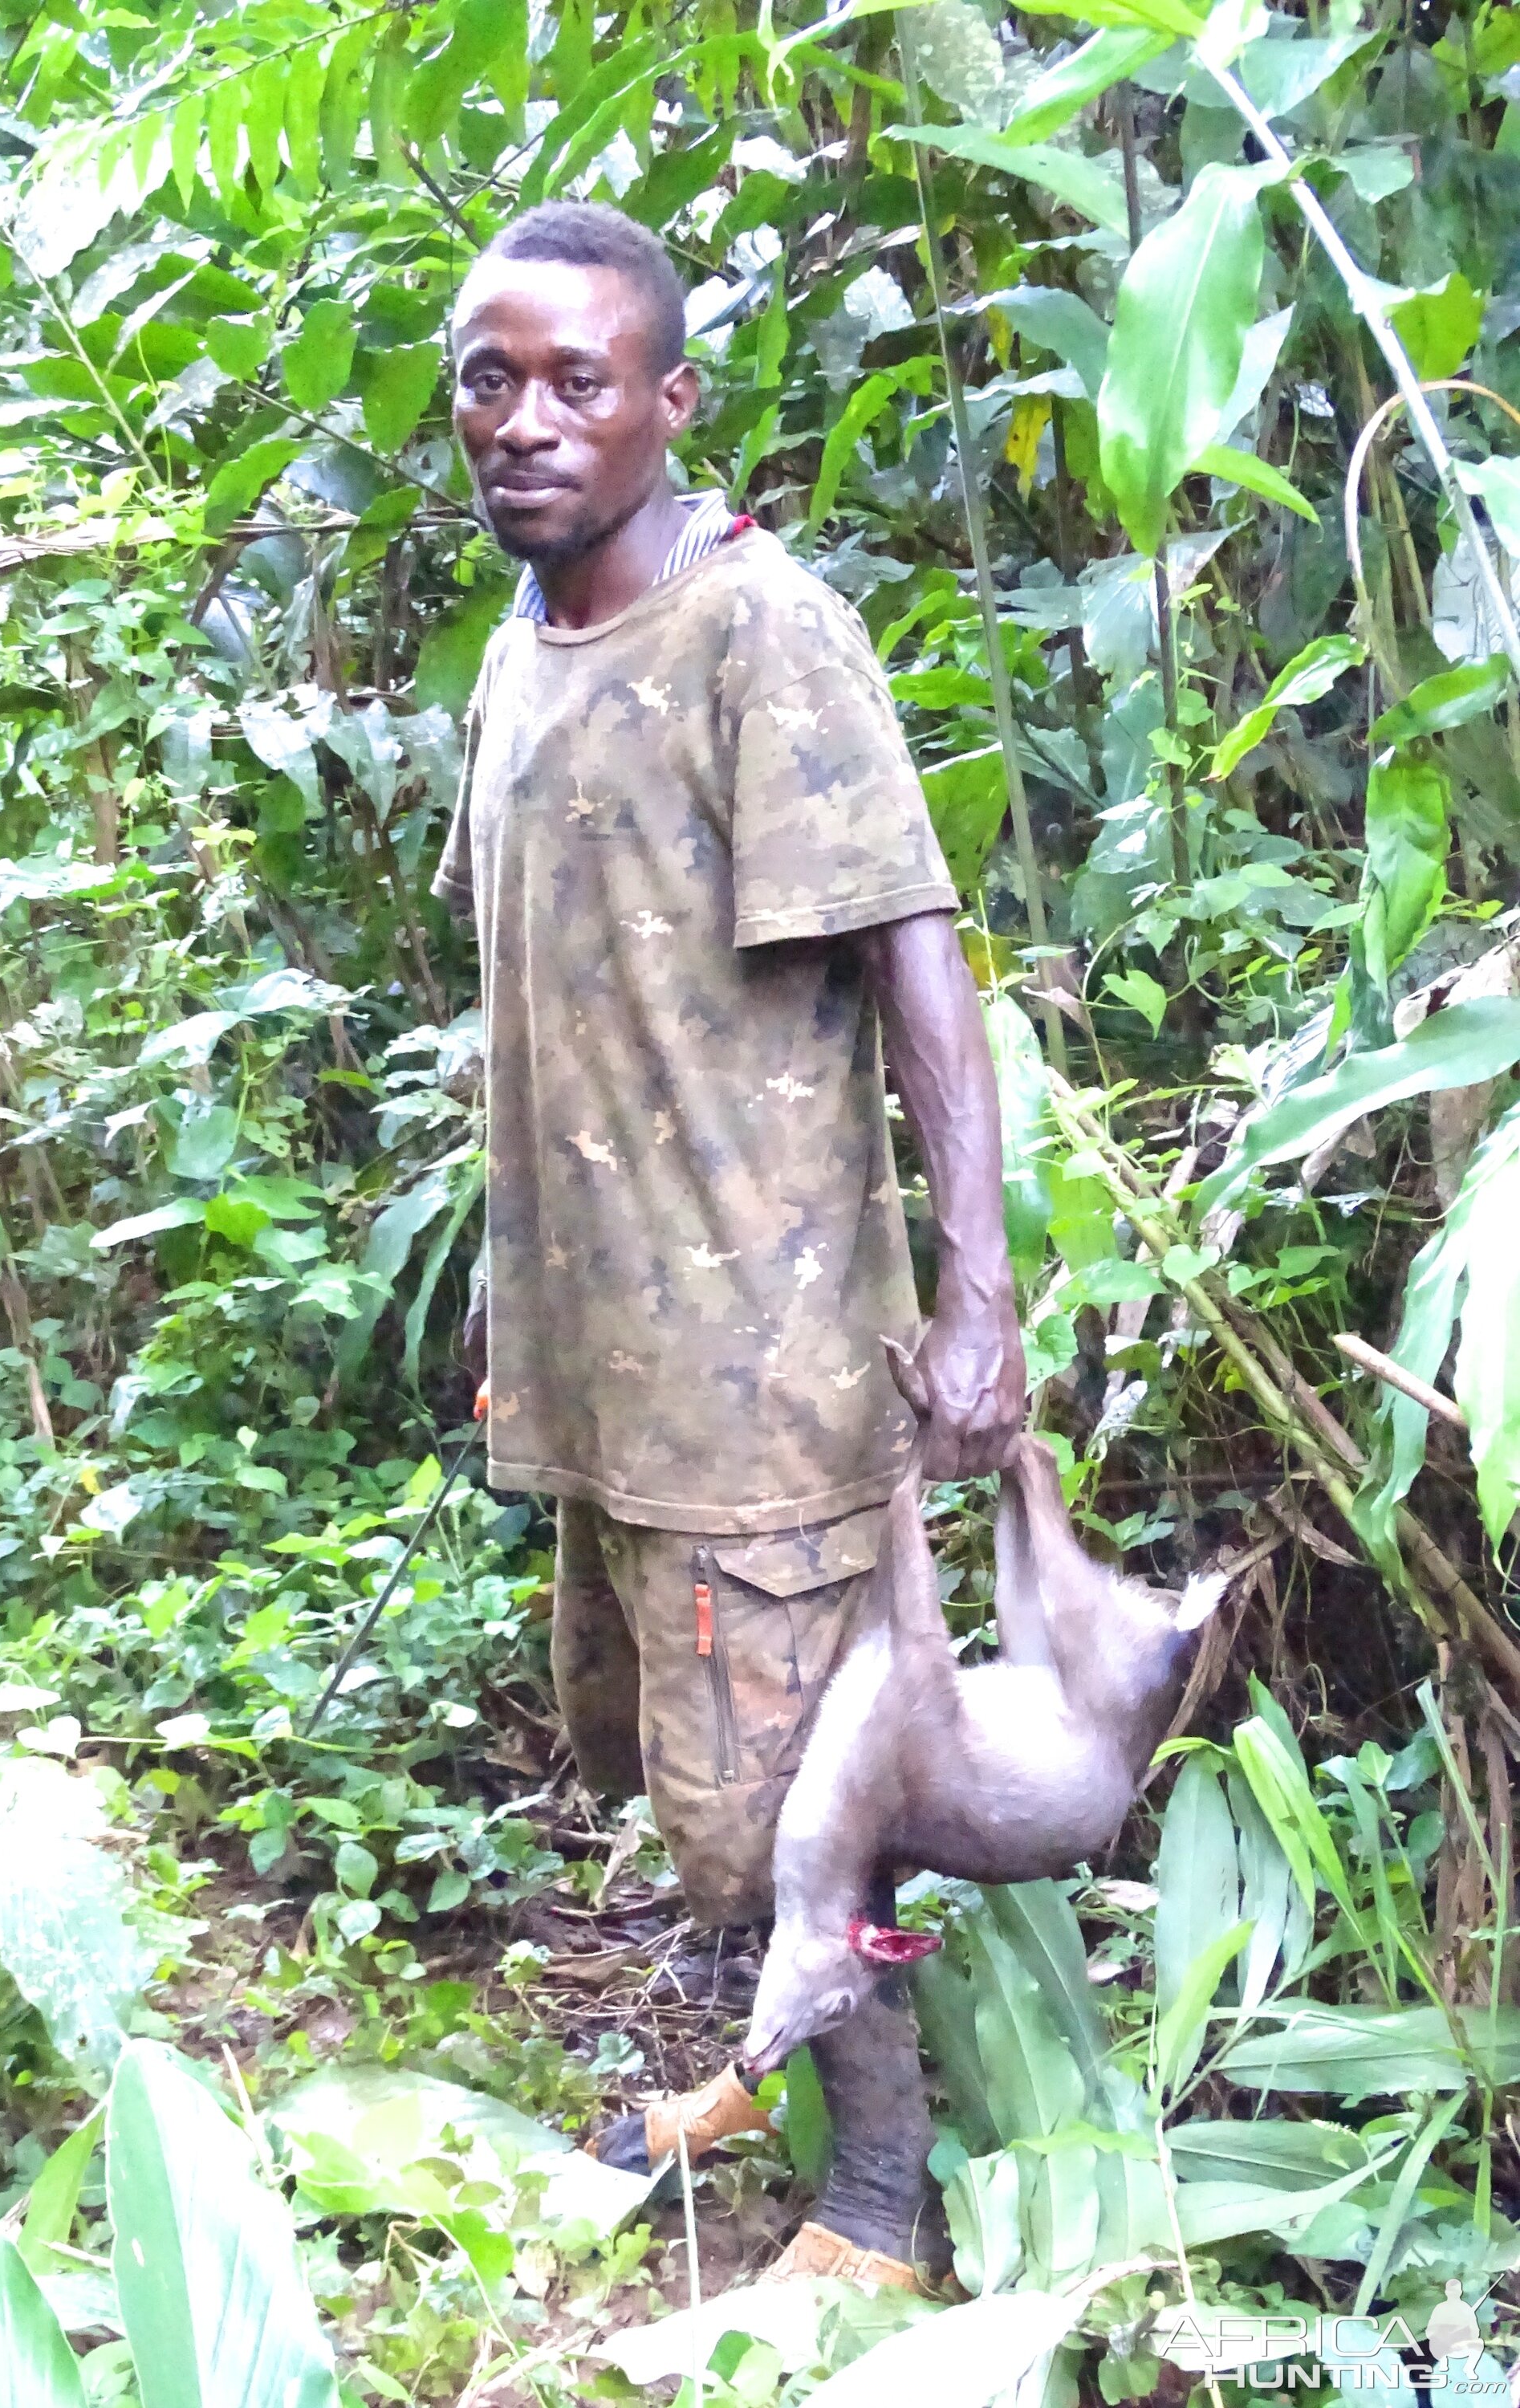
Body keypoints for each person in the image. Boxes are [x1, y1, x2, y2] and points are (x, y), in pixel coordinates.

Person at [433, 199, 1025, 2288]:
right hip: (606, 1364)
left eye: (575, 378)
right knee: (668, 1771)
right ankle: (755, 2078)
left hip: (764, 1364)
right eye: (486, 380)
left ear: (666, 401)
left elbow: (911, 948)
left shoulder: (759, 631)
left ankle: (877, 2204)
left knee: (794, 1799)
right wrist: (510, 1301)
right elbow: (557, 988)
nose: (523, 420)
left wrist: (976, 1297)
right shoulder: (520, 654)